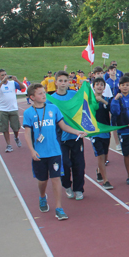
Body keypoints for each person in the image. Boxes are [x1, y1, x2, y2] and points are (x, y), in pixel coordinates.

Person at [23, 84, 87, 220]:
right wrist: (32, 150)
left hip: (55, 152)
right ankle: (42, 197)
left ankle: (59, 208)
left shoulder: (53, 109)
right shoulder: (28, 113)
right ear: (32, 97)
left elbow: (63, 126)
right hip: (39, 153)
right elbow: (27, 134)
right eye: (40, 93)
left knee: (56, 179)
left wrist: (77, 132)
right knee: (42, 181)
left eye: (44, 92)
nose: (44, 95)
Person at [50, 71, 87, 200]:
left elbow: (84, 108)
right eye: (60, 81)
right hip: (60, 137)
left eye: (65, 81)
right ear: (56, 82)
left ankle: (78, 189)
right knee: (65, 163)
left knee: (79, 163)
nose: (63, 83)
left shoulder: (73, 94)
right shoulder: (51, 100)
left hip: (76, 135)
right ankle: (67, 185)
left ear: (68, 82)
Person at [0, 69, 26, 152]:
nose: (4, 76)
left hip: (13, 108)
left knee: (16, 127)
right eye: (2, 75)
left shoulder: (12, 83)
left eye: (5, 74)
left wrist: (16, 80)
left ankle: (16, 137)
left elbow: (23, 88)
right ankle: (8, 144)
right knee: (4, 128)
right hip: (3, 109)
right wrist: (2, 82)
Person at [90, 78, 114, 190]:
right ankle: (106, 180)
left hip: (105, 131)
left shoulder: (107, 100)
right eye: (97, 84)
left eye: (101, 85)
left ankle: (99, 170)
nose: (99, 86)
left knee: (105, 156)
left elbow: (113, 110)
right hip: (95, 132)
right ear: (93, 86)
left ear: (104, 88)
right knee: (100, 155)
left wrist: (103, 101)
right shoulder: (89, 100)